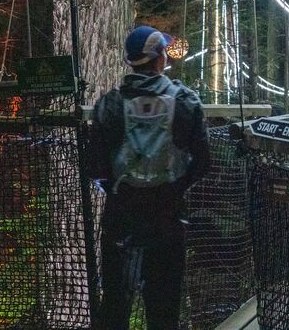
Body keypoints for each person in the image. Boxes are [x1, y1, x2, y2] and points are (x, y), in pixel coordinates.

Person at [89, 25, 210, 330]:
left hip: (122, 215)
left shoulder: (109, 105)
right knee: (164, 306)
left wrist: (118, 189)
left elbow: (93, 166)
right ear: (158, 58)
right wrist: (176, 187)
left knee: (116, 302)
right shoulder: (186, 101)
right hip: (168, 216)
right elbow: (203, 162)